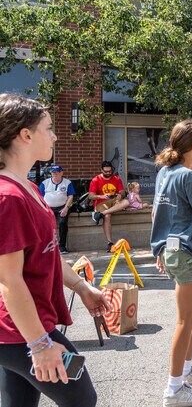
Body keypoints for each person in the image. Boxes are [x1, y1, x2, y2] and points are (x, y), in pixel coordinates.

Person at [0, 93, 110, 407]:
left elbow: (46, 253)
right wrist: (40, 345)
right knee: (82, 399)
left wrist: (81, 286)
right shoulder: (8, 196)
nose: (55, 135)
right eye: (48, 128)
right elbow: (9, 280)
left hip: (24, 328)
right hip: (19, 331)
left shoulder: (29, 187)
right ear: (25, 135)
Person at [151, 120, 192, 407]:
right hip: (186, 251)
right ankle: (174, 389)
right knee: (184, 320)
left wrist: (159, 250)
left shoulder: (165, 173)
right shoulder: (188, 177)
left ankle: (186, 371)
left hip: (173, 249)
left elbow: (158, 212)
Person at [88, 160, 126, 252]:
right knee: (107, 216)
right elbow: (91, 196)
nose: (108, 173)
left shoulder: (116, 179)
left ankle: (100, 214)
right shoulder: (96, 180)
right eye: (106, 172)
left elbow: (123, 192)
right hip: (101, 202)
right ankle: (109, 242)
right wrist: (101, 196)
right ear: (101, 170)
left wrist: (120, 195)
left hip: (113, 200)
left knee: (126, 202)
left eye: (110, 171)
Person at [39, 164, 76, 254]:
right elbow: (39, 196)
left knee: (63, 223)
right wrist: (44, 208)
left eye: (56, 172)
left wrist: (66, 208)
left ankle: (62, 246)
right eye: (53, 172)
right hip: (48, 208)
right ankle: (47, 246)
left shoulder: (67, 183)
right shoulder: (45, 183)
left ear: (61, 173)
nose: (54, 174)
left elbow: (70, 196)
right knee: (46, 225)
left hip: (62, 207)